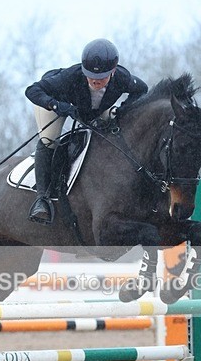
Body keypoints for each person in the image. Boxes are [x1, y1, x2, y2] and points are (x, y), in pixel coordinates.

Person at [24, 38, 148, 224]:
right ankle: (42, 199)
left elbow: (142, 90)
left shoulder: (122, 77)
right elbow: (32, 90)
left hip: (91, 110)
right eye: (90, 75)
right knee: (49, 140)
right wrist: (57, 105)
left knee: (112, 132)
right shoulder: (71, 76)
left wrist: (123, 109)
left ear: (113, 71)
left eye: (101, 77)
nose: (95, 81)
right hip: (54, 103)